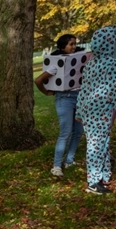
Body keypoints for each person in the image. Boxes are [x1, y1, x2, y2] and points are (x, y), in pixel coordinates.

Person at [76, 25, 116, 195]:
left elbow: (83, 89)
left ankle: (101, 177)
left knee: (101, 143)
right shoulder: (111, 63)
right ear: (113, 43)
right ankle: (93, 183)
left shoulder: (91, 63)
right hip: (100, 111)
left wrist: (79, 111)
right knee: (97, 145)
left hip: (88, 109)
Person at [35, 33, 85, 177]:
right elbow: (38, 80)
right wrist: (47, 92)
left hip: (80, 97)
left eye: (75, 44)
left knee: (78, 132)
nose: (74, 47)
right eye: (71, 44)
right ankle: (56, 166)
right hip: (65, 98)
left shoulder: (77, 58)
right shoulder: (57, 63)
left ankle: (69, 160)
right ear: (63, 46)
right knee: (65, 132)